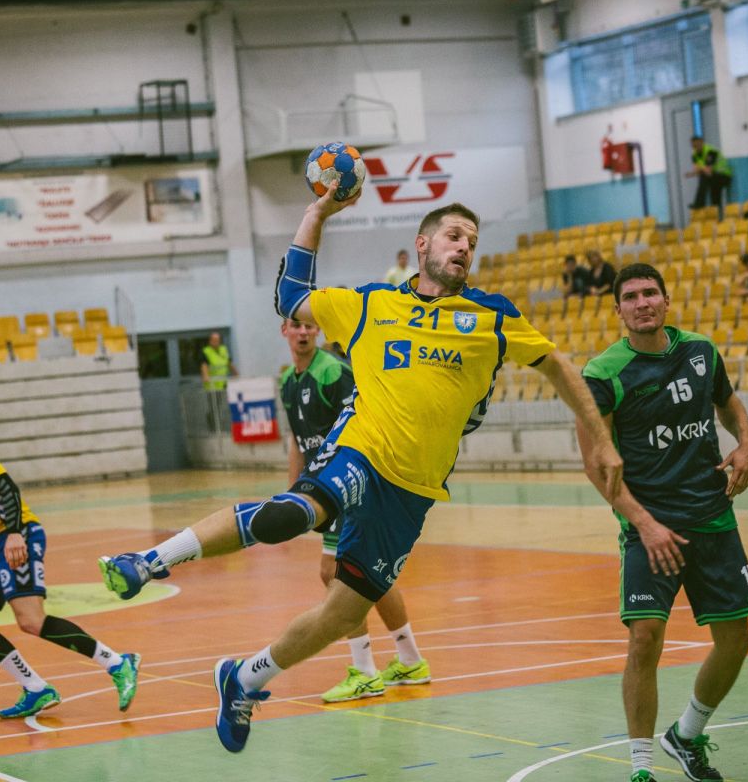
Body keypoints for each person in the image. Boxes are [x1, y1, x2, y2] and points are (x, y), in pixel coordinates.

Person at [98, 186, 624, 755]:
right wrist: (316, 213)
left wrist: (600, 439)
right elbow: (291, 297)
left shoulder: (493, 316)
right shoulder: (371, 303)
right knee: (287, 517)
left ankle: (243, 679)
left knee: (341, 613)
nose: (464, 248)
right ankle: (147, 562)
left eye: (472, 242)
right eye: (453, 236)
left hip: (413, 492)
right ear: (421, 244)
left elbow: (559, 366)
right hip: (361, 451)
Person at [576, 265, 748, 782]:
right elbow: (595, 464)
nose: (642, 303)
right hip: (649, 524)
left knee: (737, 639)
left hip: (712, 516)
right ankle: (641, 767)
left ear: (666, 300)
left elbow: (728, 403)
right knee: (645, 638)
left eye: (650, 293)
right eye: (631, 297)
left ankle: (686, 734)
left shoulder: (700, 351)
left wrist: (746, 442)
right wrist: (644, 524)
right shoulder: (603, 372)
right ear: (618, 310)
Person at [0, 386, 141, 719]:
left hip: (16, 534)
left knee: (31, 620)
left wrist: (14, 533)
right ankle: (36, 688)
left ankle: (118, 663)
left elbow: (4, 485)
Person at [277, 318, 430, 702]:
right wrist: (293, 494)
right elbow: (298, 440)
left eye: (309, 326)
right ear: (284, 331)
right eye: (296, 326)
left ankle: (364, 671)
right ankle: (410, 660)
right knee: (370, 572)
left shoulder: (333, 372)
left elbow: (365, 418)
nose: (303, 332)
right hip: (323, 486)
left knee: (335, 572)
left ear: (318, 331)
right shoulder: (288, 382)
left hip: (349, 480)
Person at [201, 331, 238, 430]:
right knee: (214, 407)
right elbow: (204, 365)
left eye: (217, 340)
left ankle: (222, 426)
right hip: (212, 386)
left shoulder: (223, 349)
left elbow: (229, 363)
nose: (216, 342)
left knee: (222, 406)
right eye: (214, 340)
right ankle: (214, 427)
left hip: (223, 384)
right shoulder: (206, 351)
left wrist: (236, 374)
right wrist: (206, 376)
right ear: (210, 341)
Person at [687, 136, 732, 211]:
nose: (695, 147)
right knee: (714, 196)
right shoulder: (694, 155)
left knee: (704, 177)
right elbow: (696, 171)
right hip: (714, 177)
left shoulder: (710, 151)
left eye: (696, 145)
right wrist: (694, 172)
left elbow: (707, 170)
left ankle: (699, 203)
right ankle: (716, 214)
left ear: (701, 142)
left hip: (724, 176)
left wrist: (699, 170)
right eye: (693, 146)